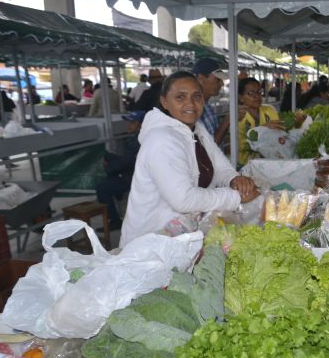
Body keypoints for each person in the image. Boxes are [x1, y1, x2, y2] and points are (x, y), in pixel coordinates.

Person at [120, 71, 258, 246]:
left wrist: (235, 179)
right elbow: (184, 200)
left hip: (182, 237)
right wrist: (235, 197)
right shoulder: (161, 140)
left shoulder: (196, 128)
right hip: (151, 244)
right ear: (164, 102)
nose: (190, 104)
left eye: (196, 96)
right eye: (180, 97)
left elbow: (220, 165)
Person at [96, 110, 144, 231]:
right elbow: (127, 160)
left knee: (102, 187)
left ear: (140, 125)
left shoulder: (137, 140)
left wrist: (109, 167)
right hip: (132, 172)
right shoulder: (138, 137)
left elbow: (126, 162)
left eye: (132, 123)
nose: (128, 125)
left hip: (135, 178)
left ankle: (115, 220)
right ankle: (118, 197)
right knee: (108, 178)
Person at [237, 77, 282, 165]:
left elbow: (278, 135)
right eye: (250, 93)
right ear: (241, 98)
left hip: (271, 161)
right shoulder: (238, 116)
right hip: (247, 164)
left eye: (259, 92)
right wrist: (263, 128)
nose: (256, 96)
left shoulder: (269, 110)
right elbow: (247, 144)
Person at [192, 58, 230, 143]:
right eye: (217, 80)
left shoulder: (207, 107)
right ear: (201, 79)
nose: (222, 84)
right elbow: (208, 148)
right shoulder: (193, 110)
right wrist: (227, 120)